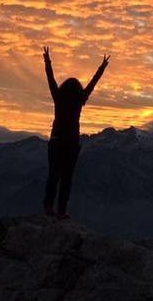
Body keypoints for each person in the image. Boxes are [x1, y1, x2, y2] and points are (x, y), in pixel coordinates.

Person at [42, 46, 109, 220]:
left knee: (53, 176)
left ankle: (48, 207)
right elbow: (93, 84)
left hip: (56, 142)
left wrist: (47, 61)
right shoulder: (80, 99)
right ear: (78, 89)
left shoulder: (58, 97)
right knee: (67, 179)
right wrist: (102, 68)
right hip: (71, 145)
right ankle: (61, 211)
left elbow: (50, 79)